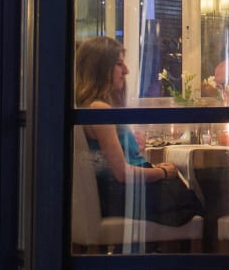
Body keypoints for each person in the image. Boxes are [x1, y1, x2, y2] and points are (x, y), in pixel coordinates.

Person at [74, 37, 200, 228]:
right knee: (199, 201)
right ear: (100, 68)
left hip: (114, 192)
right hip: (122, 193)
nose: (126, 71)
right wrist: (162, 172)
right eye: (119, 64)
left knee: (191, 196)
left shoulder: (86, 106)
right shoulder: (99, 109)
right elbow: (122, 174)